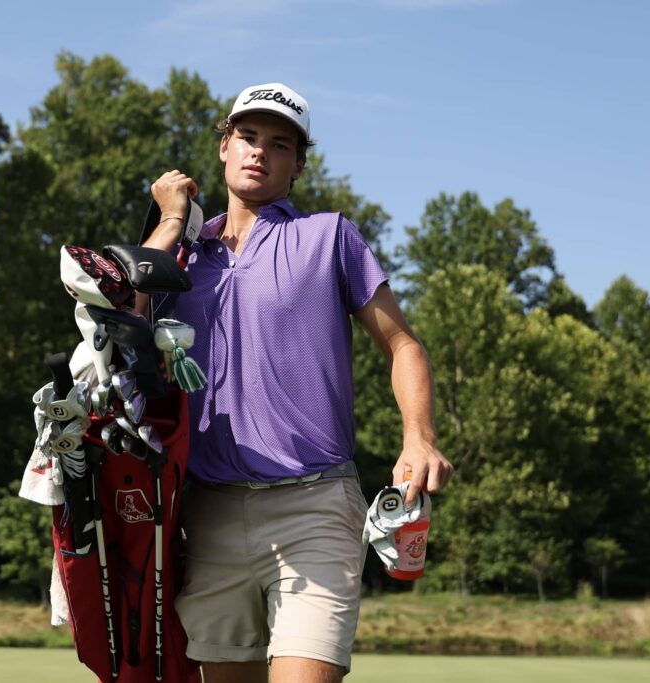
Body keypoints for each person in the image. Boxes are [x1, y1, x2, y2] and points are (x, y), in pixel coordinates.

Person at [142, 82, 453, 683]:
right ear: (225, 147)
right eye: (248, 137)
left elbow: (403, 344)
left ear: (298, 164)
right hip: (205, 514)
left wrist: (419, 436)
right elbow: (118, 308)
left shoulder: (329, 236)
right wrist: (173, 218)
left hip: (314, 507)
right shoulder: (183, 257)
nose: (260, 152)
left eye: (279, 144)